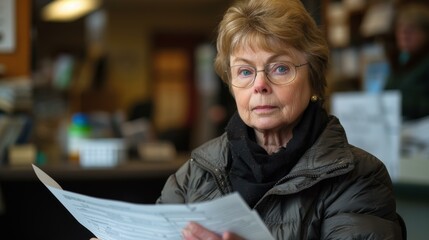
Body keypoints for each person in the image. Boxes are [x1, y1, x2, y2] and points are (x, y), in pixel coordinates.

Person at [92, 0, 402, 239]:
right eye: (244, 71)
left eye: (280, 68)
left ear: (314, 77)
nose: (260, 84)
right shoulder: (197, 171)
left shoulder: (360, 177)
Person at [384, 2, 429, 121]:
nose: (404, 35)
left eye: (411, 30)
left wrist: (399, 102)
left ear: (426, 34)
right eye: (400, 29)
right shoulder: (397, 61)